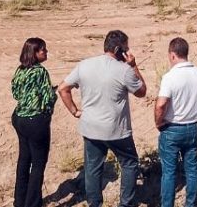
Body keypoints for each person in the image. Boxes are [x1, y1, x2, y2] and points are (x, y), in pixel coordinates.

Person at [56, 30, 147, 207]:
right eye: (126, 48)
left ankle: (94, 203)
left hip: (90, 127)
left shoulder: (84, 65)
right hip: (117, 130)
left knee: (92, 168)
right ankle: (126, 203)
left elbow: (62, 89)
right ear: (119, 49)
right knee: (129, 164)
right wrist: (133, 65)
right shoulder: (124, 70)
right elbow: (142, 92)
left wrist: (75, 111)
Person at [154, 37, 197, 207]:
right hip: (193, 127)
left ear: (172, 55)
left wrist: (158, 122)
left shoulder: (170, 77)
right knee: (192, 169)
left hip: (172, 128)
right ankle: (191, 204)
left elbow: (161, 104)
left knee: (169, 172)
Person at [11, 37, 54, 207]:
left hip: (19, 117)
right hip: (35, 121)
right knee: (37, 165)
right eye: (43, 49)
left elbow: (15, 92)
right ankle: (32, 203)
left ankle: (19, 201)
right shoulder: (40, 71)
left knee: (23, 160)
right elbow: (48, 98)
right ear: (35, 52)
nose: (46, 51)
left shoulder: (20, 70)